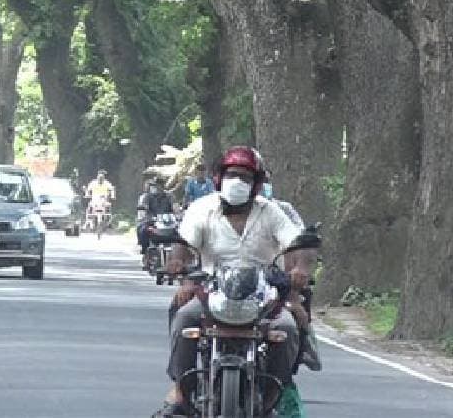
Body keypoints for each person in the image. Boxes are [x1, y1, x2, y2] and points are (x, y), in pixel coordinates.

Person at [154, 146, 318, 417]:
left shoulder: (271, 212)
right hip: (210, 288)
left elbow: (297, 244)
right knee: (183, 317)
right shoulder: (201, 209)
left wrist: (300, 268)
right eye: (232, 175)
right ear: (219, 178)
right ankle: (181, 390)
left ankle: (274, 395)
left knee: (287, 328)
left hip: (263, 291)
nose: (238, 182)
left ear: (256, 184)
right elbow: (183, 244)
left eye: (245, 176)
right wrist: (178, 266)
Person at [136, 179, 175, 250]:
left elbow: (175, 206)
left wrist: (178, 211)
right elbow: (144, 206)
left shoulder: (169, 196)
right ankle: (145, 249)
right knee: (142, 229)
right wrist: (144, 208)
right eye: (156, 185)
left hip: (168, 221)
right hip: (152, 220)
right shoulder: (147, 197)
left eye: (161, 185)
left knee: (180, 231)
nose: (159, 187)